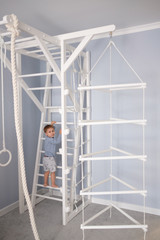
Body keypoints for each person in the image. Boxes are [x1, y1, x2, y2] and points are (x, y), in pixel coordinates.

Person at [43, 121, 61, 188]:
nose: (52, 133)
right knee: (53, 172)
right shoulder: (50, 140)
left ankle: (45, 183)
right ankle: (53, 184)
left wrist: (51, 124)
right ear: (46, 134)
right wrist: (60, 134)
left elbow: (50, 129)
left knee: (47, 171)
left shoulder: (47, 138)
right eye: (49, 132)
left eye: (53, 131)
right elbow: (57, 141)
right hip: (50, 158)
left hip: (45, 158)